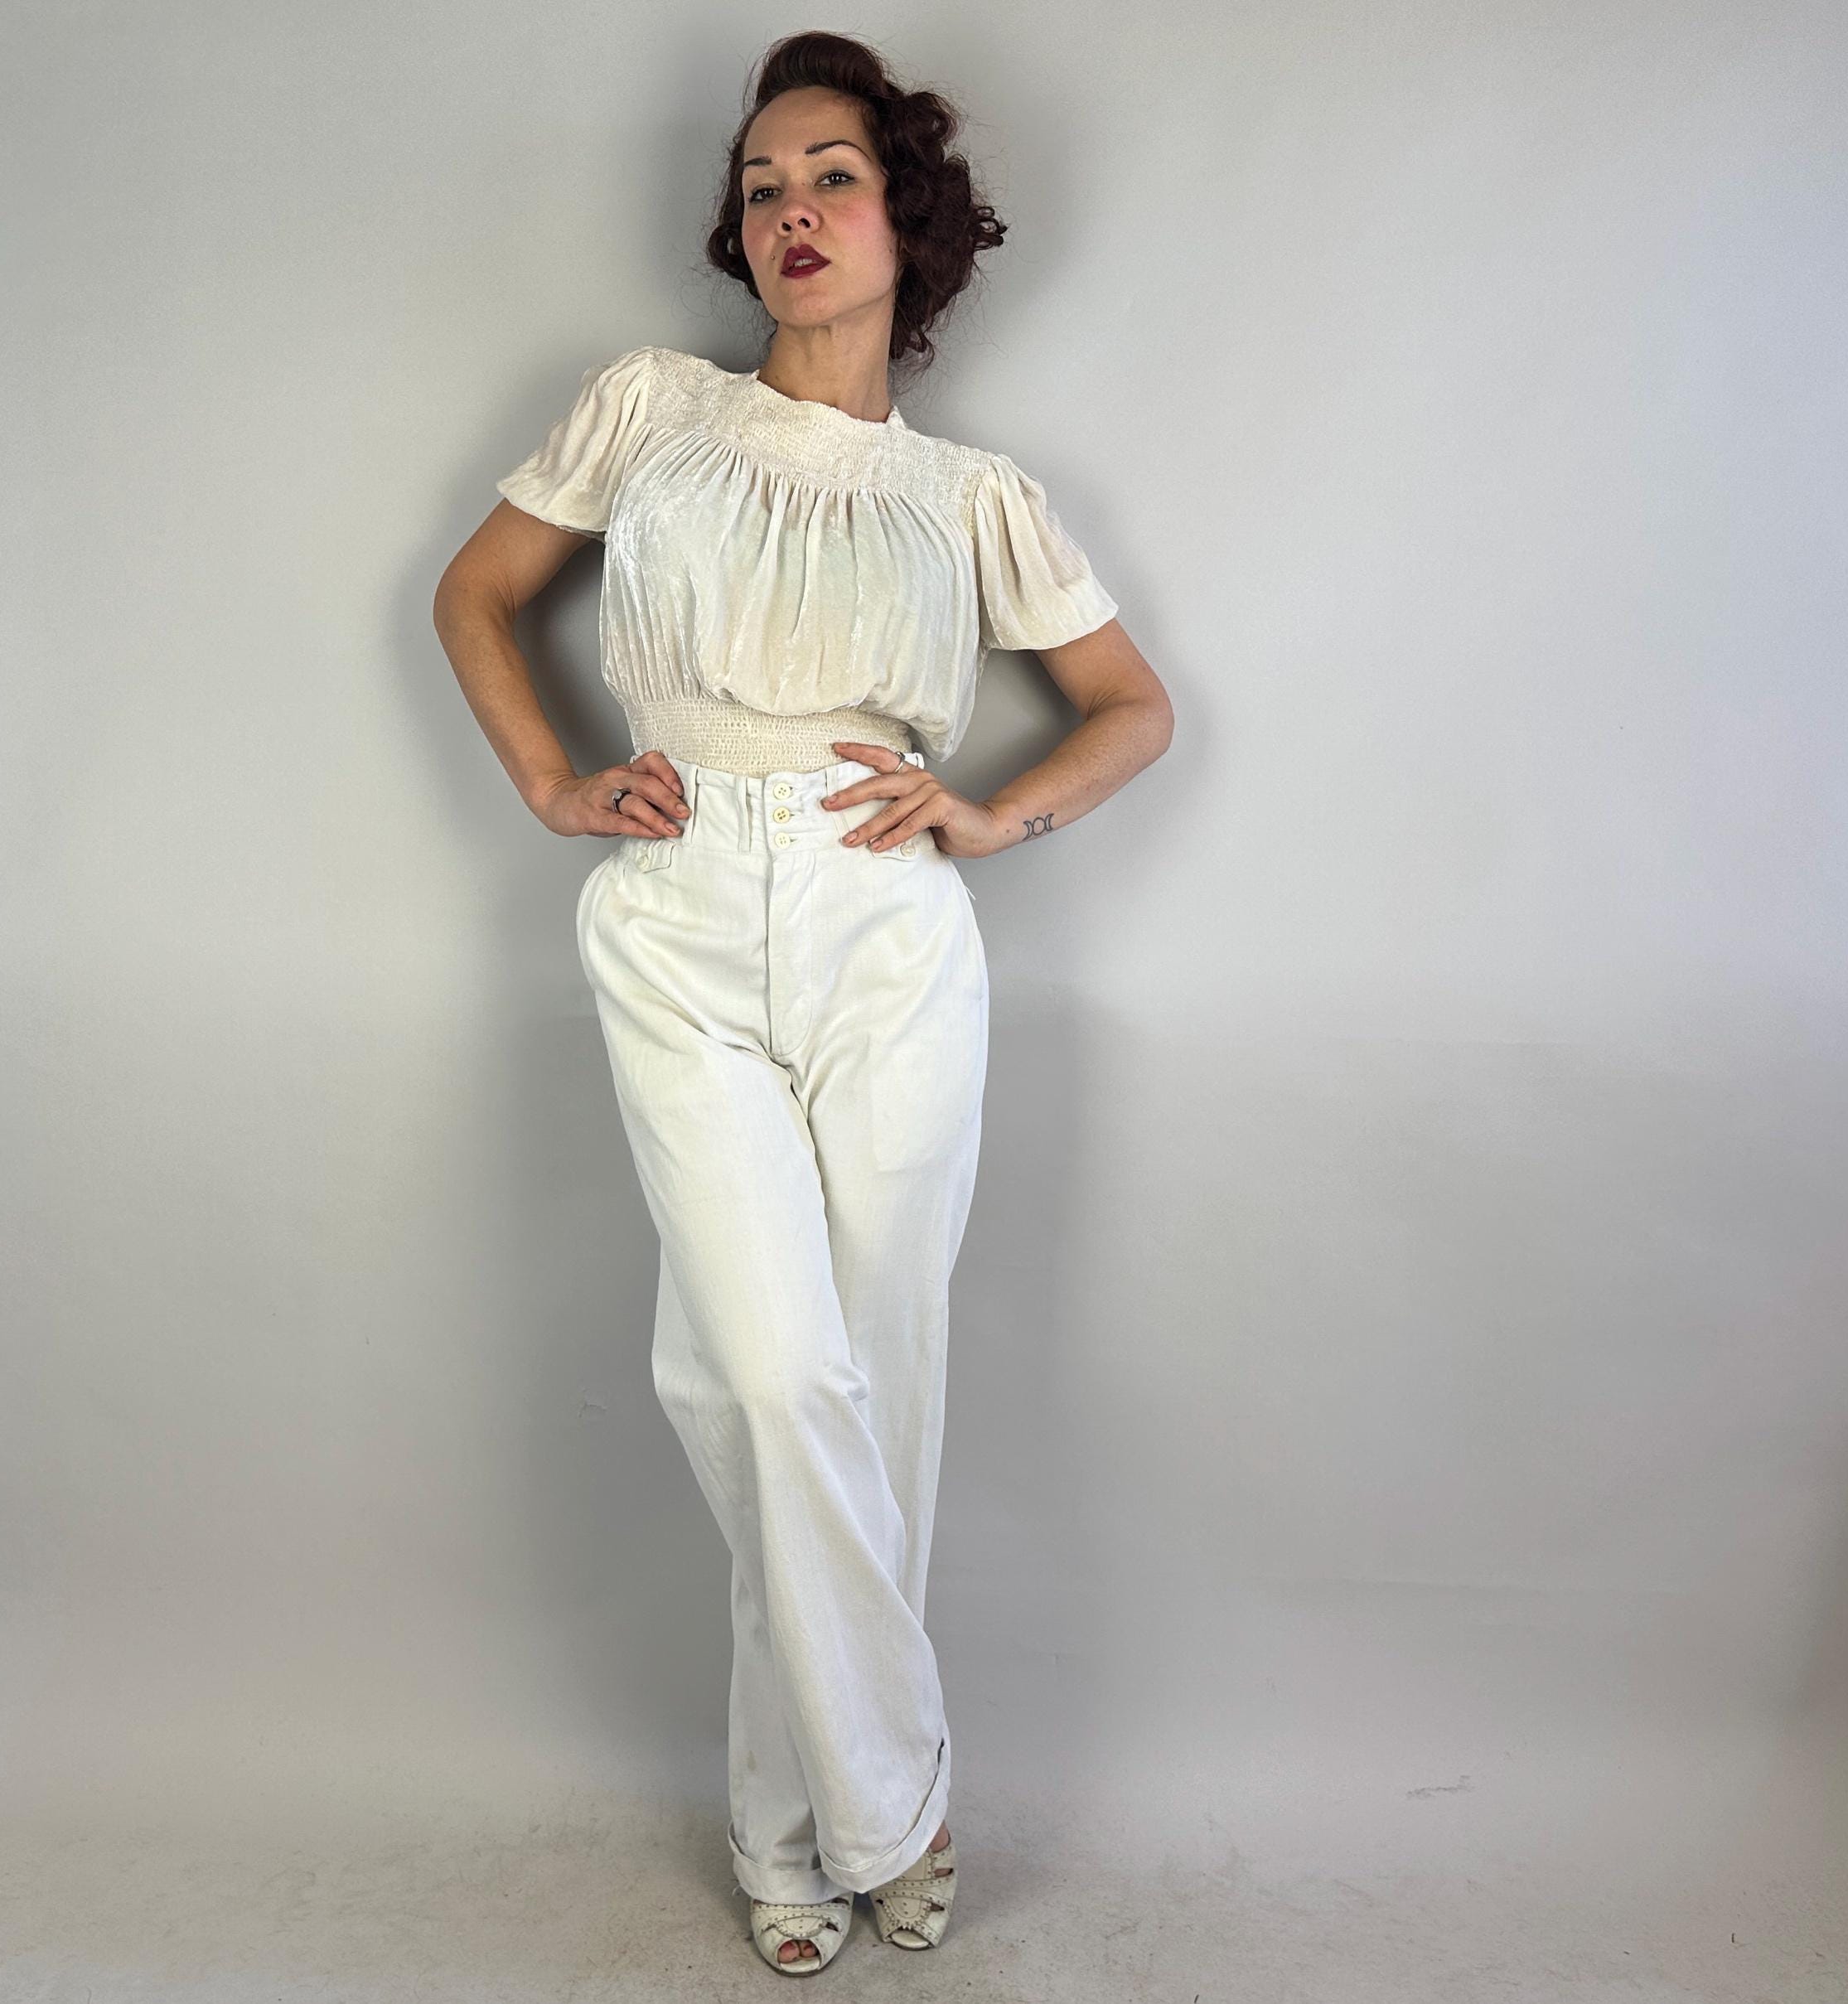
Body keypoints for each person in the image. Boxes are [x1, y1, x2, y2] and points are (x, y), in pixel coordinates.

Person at [433, 31, 1173, 1977]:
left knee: (877, 1387)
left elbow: (1132, 707)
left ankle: (789, 1834)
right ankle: (900, 1794)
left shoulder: (970, 494)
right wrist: (551, 779)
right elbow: (474, 594)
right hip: (678, 906)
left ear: (905, 221)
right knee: (763, 1377)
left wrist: (993, 816)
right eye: (762, 186)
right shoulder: (652, 409)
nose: (792, 212)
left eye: (832, 175)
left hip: (886, 923)